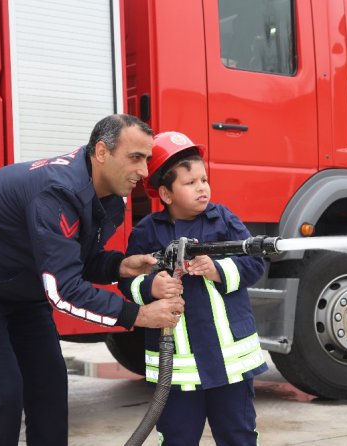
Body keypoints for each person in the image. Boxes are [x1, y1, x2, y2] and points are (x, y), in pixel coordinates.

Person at [0, 114, 184, 446]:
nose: (144, 171)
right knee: (2, 393)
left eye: (147, 159)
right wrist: (139, 315)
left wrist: (120, 266)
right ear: (102, 152)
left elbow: (74, 260)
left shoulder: (109, 197)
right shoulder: (57, 192)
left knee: (48, 384)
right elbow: (63, 292)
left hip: (17, 284)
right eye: (135, 157)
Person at [118, 131, 268, 445]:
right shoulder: (147, 231)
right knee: (177, 437)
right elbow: (127, 282)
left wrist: (218, 269)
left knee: (238, 434)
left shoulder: (223, 220)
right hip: (177, 371)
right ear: (166, 194)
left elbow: (256, 264)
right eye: (190, 183)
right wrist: (151, 287)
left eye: (204, 179)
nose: (202, 188)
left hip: (231, 365)